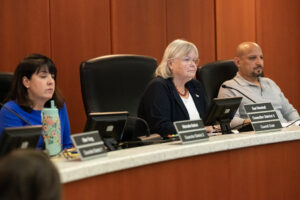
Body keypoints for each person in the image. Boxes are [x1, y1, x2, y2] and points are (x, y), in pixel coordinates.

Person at [138, 39, 213, 138]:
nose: (193, 65)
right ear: (170, 64)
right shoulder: (158, 86)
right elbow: (161, 126)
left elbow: (208, 119)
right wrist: (198, 129)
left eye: (194, 60)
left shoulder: (195, 86)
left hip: (198, 141)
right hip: (165, 146)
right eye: (186, 59)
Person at [218, 42, 300, 128]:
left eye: (261, 57)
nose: (259, 62)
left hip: (285, 134)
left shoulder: (270, 83)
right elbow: (229, 121)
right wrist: (256, 121)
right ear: (238, 62)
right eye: (252, 58)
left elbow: (289, 112)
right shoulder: (229, 87)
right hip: (258, 137)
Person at [0, 54, 72, 149]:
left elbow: (67, 145)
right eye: (43, 76)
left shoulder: (59, 105)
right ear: (26, 82)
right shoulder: (11, 111)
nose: (51, 81)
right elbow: (14, 156)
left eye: (53, 76)